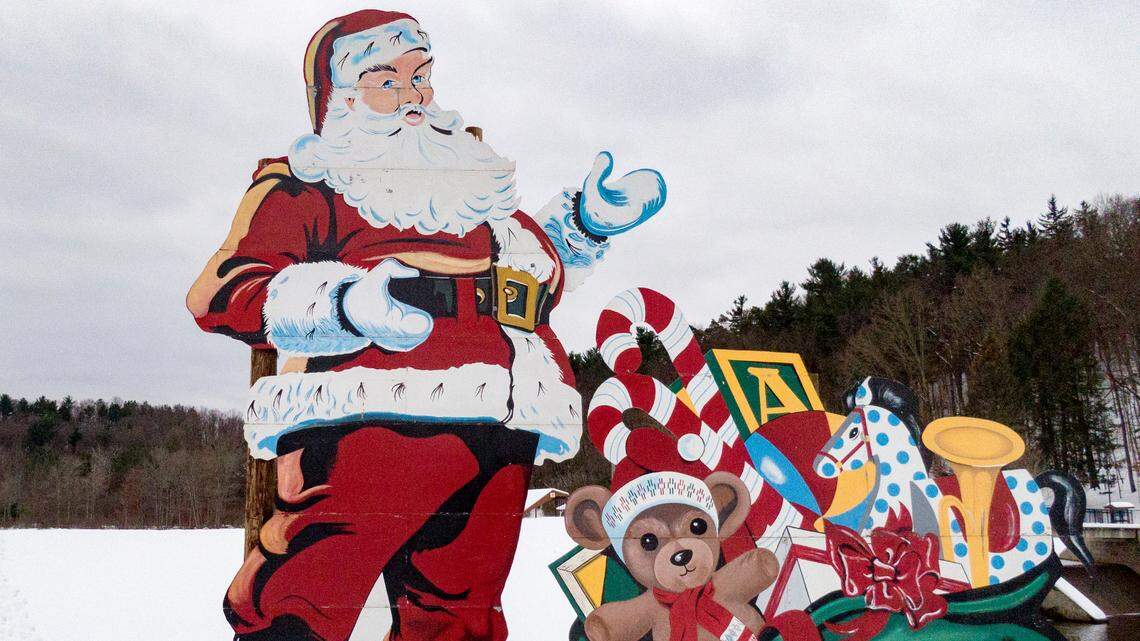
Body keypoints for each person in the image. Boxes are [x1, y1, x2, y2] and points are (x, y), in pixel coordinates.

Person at [186, 9, 666, 641]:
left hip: (501, 423)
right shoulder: (310, 184)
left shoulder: (470, 187)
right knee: (306, 596)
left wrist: (587, 223)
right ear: (341, 100)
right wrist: (344, 304)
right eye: (387, 81)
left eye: (420, 77)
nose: (414, 98)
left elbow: (532, 268)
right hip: (369, 418)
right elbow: (222, 291)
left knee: (461, 614)